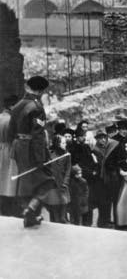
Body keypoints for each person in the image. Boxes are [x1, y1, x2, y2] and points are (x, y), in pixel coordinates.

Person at [9, 75, 56, 228]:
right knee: (48, 180)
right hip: (31, 148)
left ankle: (30, 218)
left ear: (28, 87)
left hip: (18, 147)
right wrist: (40, 158)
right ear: (41, 91)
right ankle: (31, 209)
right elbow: (38, 134)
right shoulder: (37, 107)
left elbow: (11, 131)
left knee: (26, 182)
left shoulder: (17, 106)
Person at [94, 129, 126, 228]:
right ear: (97, 139)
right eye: (100, 138)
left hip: (114, 177)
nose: (103, 140)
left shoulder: (113, 146)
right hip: (102, 179)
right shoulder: (95, 150)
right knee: (104, 202)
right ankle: (104, 221)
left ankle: (118, 222)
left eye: (104, 137)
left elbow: (120, 160)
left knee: (116, 200)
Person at [68, 127, 99, 226]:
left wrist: (94, 169)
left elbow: (91, 160)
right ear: (77, 137)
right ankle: (77, 223)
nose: (84, 138)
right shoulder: (74, 148)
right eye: (82, 136)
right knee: (78, 203)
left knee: (88, 203)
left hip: (89, 178)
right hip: (79, 177)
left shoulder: (86, 147)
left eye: (84, 136)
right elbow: (77, 164)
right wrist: (89, 171)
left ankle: (88, 224)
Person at [43, 135, 71, 223]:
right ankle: (56, 221)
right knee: (54, 205)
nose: (65, 144)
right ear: (57, 144)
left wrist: (65, 182)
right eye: (63, 143)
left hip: (62, 183)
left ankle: (62, 219)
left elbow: (68, 170)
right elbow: (45, 169)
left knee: (64, 202)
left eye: (65, 143)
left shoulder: (67, 154)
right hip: (53, 183)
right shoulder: (49, 153)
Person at [0, 95, 19, 216]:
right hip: (9, 150)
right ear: (12, 106)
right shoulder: (12, 120)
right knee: (9, 182)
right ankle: (9, 210)